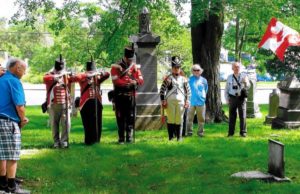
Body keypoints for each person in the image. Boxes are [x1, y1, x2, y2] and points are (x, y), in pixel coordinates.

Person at [0, 58, 30, 193]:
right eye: (24, 69)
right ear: (18, 68)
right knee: (13, 154)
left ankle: (2, 183)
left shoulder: (1, 79)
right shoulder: (14, 81)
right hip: (8, 121)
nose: (24, 73)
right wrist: (23, 119)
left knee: (1, 154)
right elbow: (20, 106)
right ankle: (12, 187)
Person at [70, 60, 110, 145]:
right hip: (85, 102)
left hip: (96, 101)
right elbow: (74, 78)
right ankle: (88, 141)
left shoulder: (97, 77)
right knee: (87, 123)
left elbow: (107, 74)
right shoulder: (83, 77)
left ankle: (96, 140)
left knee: (97, 122)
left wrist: (99, 73)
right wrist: (87, 74)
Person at [111, 46, 144, 144]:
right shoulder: (116, 66)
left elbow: (141, 79)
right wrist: (127, 84)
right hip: (120, 96)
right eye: (128, 59)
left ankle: (129, 137)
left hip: (131, 96)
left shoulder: (134, 67)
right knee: (120, 117)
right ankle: (121, 138)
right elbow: (115, 80)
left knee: (130, 117)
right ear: (125, 57)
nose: (130, 61)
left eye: (131, 59)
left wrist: (135, 82)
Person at [43, 56, 73, 148]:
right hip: (53, 104)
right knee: (54, 124)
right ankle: (56, 141)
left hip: (65, 103)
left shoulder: (67, 75)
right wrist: (59, 75)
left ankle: (64, 141)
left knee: (66, 123)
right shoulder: (49, 74)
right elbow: (46, 79)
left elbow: (78, 77)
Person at [160, 56, 190, 141]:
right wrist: (163, 100)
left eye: (178, 67)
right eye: (175, 67)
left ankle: (179, 137)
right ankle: (171, 137)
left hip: (181, 102)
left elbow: (188, 92)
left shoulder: (184, 79)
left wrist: (187, 101)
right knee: (171, 119)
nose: (176, 69)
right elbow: (162, 91)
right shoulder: (168, 79)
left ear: (180, 68)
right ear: (172, 68)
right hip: (170, 102)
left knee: (179, 119)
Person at [224, 62, 250, 137]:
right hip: (232, 98)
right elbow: (226, 89)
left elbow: (248, 86)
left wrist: (245, 82)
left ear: (240, 68)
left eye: (238, 67)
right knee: (232, 116)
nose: (236, 68)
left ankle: (243, 132)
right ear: (232, 68)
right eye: (235, 67)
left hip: (241, 98)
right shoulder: (229, 77)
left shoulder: (244, 76)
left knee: (243, 116)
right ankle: (231, 133)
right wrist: (227, 99)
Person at [187, 64, 208, 137]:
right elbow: (186, 90)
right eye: (194, 70)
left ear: (200, 71)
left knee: (201, 119)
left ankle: (200, 133)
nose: (196, 71)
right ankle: (189, 133)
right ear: (192, 71)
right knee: (189, 118)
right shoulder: (189, 79)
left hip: (201, 102)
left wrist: (203, 97)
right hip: (191, 102)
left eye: (198, 70)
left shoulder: (204, 80)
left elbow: (206, 89)